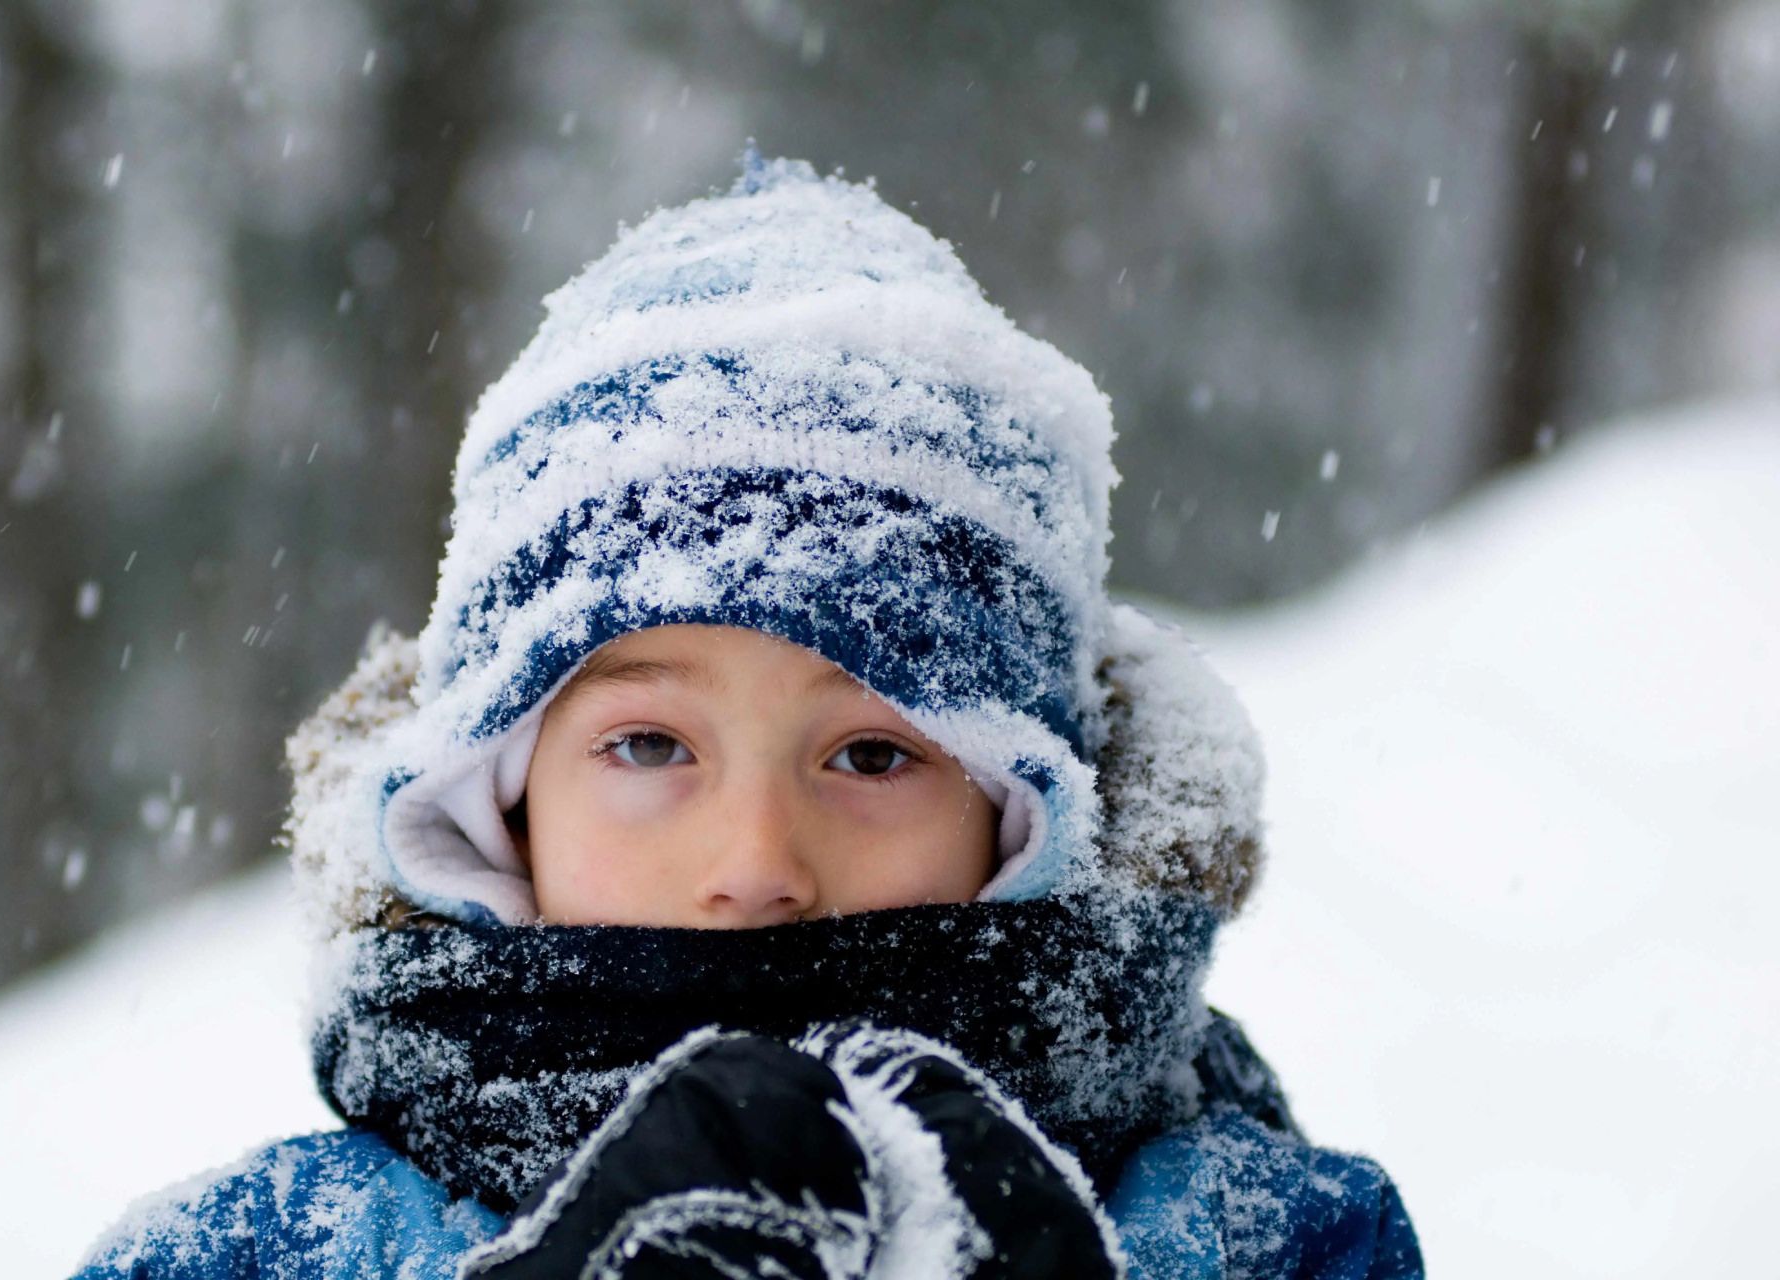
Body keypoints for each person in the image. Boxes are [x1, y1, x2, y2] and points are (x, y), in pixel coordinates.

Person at [74, 151, 1423, 1279]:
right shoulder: (268, 1253)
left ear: (1033, 820)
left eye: (874, 753)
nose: (758, 864)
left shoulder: (1263, 1238)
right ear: (494, 802)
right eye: (649, 744)